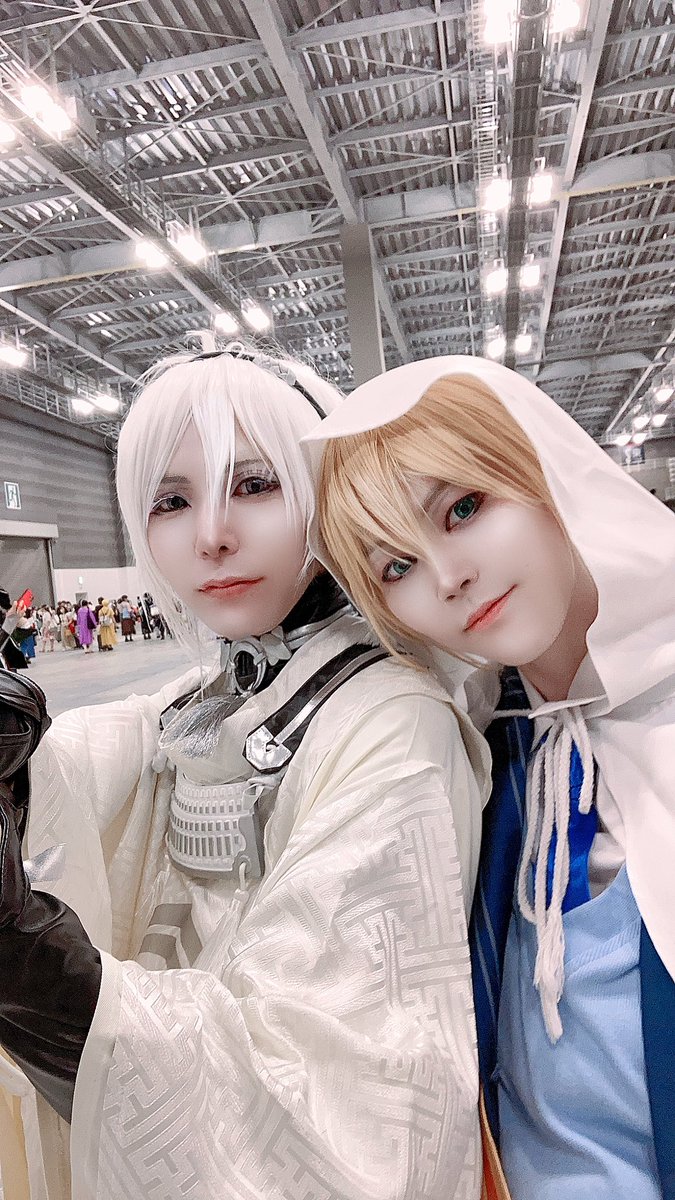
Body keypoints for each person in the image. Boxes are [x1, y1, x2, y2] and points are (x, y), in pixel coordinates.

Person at [0, 345, 492, 1200]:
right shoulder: (208, 695)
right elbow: (77, 756)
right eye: (171, 501)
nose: (210, 535)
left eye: (255, 485)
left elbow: (340, 1105)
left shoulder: (392, 721)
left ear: (323, 490)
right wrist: (20, 778)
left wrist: (32, 965)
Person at [309, 356, 675, 1200]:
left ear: (548, 474)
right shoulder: (479, 750)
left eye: (463, 508)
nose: (446, 577)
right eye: (394, 567)